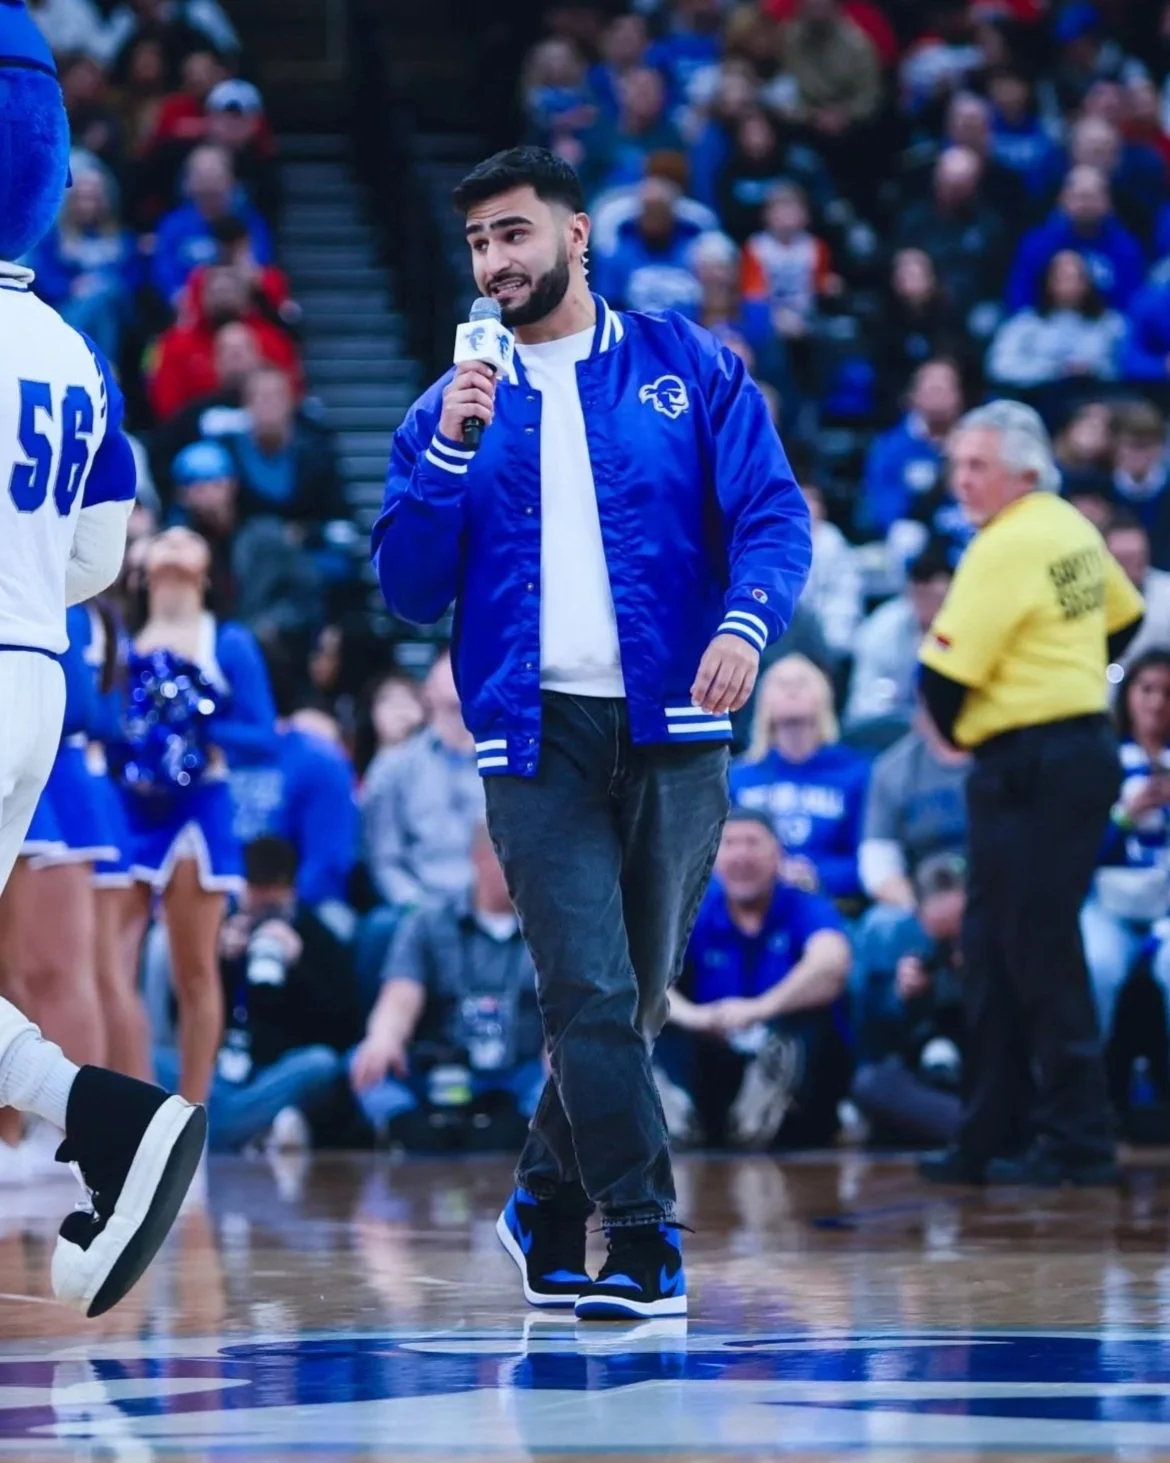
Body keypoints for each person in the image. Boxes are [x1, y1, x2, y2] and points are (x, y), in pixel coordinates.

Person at [373, 146, 810, 1320]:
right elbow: (410, 588)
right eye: (477, 243)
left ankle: (544, 1205)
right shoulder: (449, 400)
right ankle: (642, 1230)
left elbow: (773, 516)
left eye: (513, 234)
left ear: (576, 235)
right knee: (588, 990)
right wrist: (452, 452)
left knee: (636, 995)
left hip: (678, 721)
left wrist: (748, 622)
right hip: (532, 731)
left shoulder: (688, 362)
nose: (494, 262)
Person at [0, 0, 206, 1317]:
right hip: (36, 666)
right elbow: (91, 562)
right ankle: (112, 1121)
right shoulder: (74, 351)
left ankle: (110, 1116)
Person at [916, 400, 1144, 1187]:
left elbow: (939, 676)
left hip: (1031, 765)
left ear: (1023, 468)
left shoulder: (1005, 544)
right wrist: (1070, 673)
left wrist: (971, 728)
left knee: (1034, 949)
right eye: (957, 466)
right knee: (995, 947)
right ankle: (991, 1133)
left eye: (978, 466)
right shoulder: (1072, 524)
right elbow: (1124, 617)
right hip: (1074, 748)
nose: (963, 481)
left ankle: (1078, 1138)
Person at [116, 527, 278, 1108]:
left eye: (190, 538)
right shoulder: (121, 636)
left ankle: (192, 1110)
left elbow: (264, 736)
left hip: (196, 809)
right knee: (114, 969)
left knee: (194, 968)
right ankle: (130, 1107)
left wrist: (195, 727)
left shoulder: (227, 641)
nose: (177, 541)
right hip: (128, 808)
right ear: (140, 567)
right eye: (165, 536)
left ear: (209, 572)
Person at [655, 809, 851, 1151]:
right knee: (657, 1021)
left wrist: (761, 1009)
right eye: (730, 844)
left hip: (781, 1044)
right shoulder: (693, 910)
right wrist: (698, 1017)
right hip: (711, 1048)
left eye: (753, 843)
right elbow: (647, 978)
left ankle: (766, 1104)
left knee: (813, 1024)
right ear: (714, 858)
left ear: (778, 855)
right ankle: (673, 1107)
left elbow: (832, 963)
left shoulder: (804, 905)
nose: (742, 855)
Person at [349, 825, 546, 1152]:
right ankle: (402, 1124)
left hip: (520, 1072)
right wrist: (384, 1037)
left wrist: (564, 1044)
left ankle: (527, 1127)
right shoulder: (428, 922)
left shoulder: (556, 926)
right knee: (364, 1058)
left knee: (576, 1069)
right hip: (441, 1072)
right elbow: (400, 995)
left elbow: (571, 1005)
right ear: (480, 858)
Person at [154, 837, 359, 1152]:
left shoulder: (316, 936)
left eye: (273, 905)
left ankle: (213, 1130)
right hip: (216, 1073)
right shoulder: (221, 929)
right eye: (255, 900)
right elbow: (179, 1015)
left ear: (291, 890)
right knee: (147, 1059)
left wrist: (298, 968)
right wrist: (216, 962)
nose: (264, 912)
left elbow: (343, 1028)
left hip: (277, 1072)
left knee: (321, 1064)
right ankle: (252, 1129)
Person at [1081, 650, 1170, 1044]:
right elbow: (1079, 853)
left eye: (1168, 692)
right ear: (1127, 694)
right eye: (1146, 689)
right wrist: (1123, 817)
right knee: (1097, 963)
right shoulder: (1100, 761)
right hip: (1109, 903)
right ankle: (1084, 1094)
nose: (1156, 702)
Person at [731, 655, 869, 904]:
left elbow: (868, 860)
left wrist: (816, 875)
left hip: (829, 902)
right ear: (764, 702)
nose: (791, 689)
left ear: (824, 698)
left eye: (802, 682)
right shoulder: (736, 776)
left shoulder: (855, 773)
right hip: (748, 903)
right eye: (781, 683)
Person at [844, 542, 954, 736]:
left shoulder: (966, 628)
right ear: (909, 593)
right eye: (920, 595)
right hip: (892, 728)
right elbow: (866, 707)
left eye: (936, 598)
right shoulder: (882, 629)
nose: (927, 606)